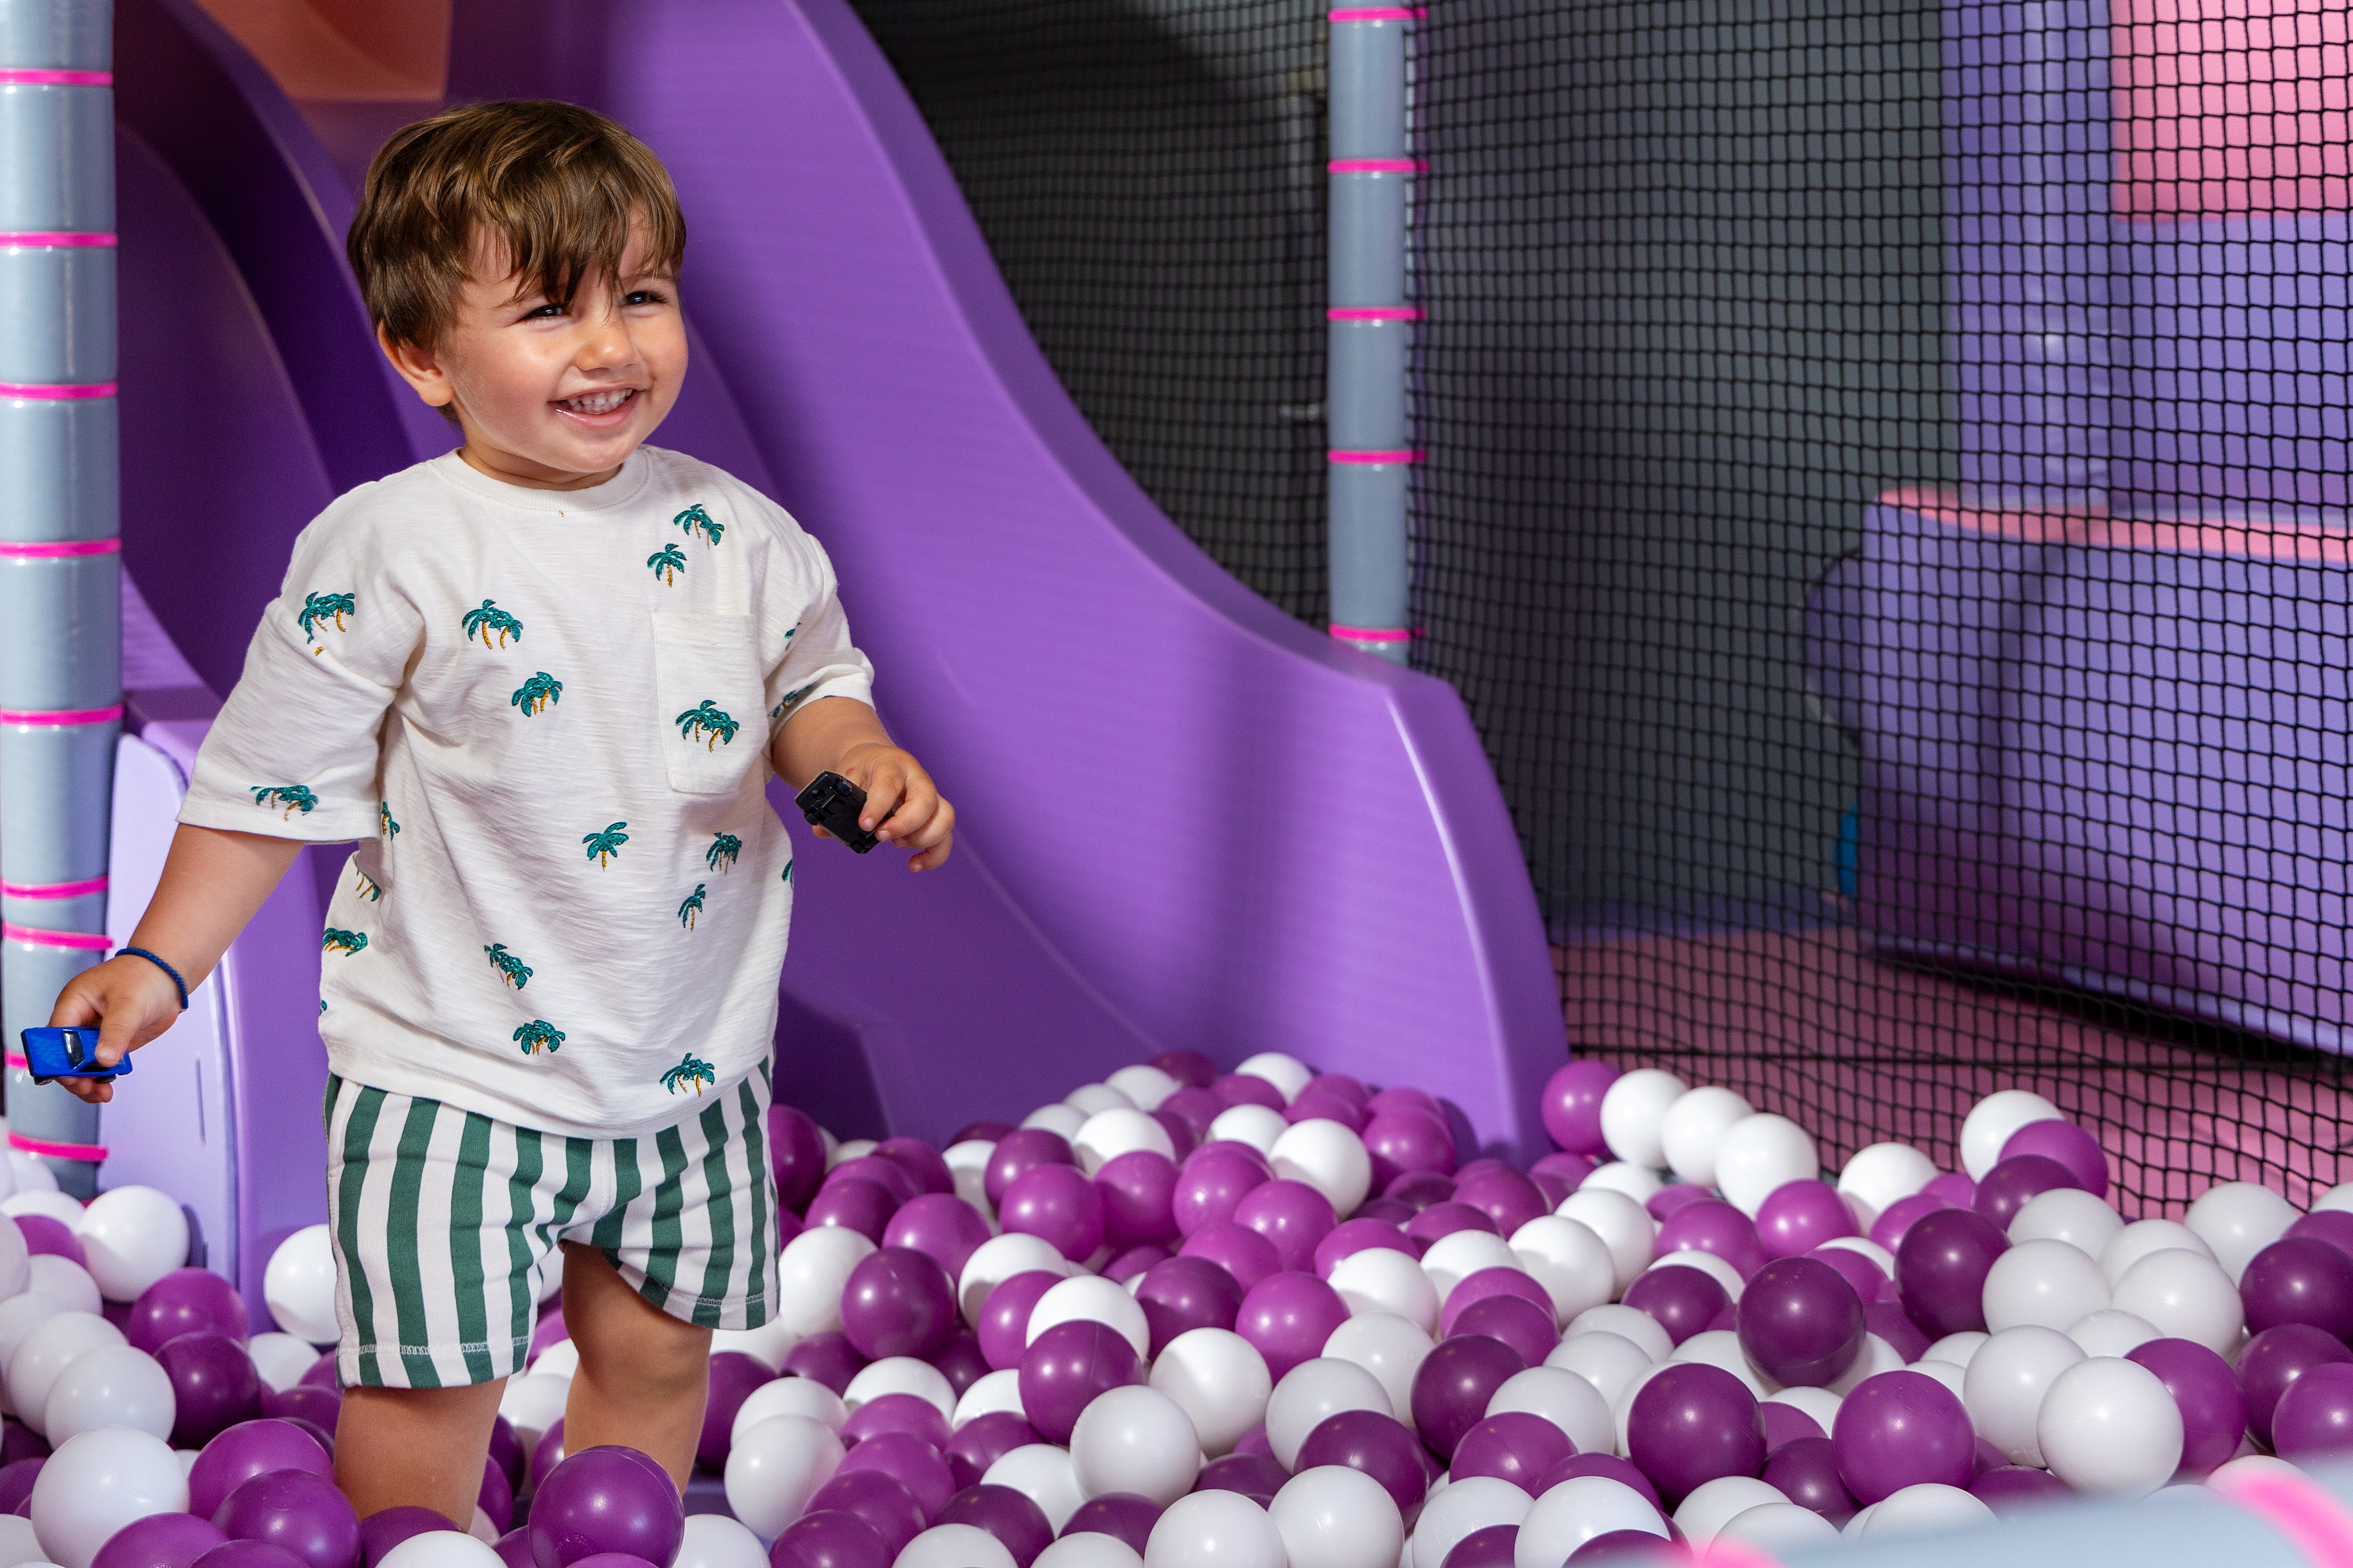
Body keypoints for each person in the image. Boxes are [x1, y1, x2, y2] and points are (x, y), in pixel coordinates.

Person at [43, 99, 953, 1523]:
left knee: (656, 1357)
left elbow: (806, 689)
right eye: (547, 312)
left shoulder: (740, 535)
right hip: (448, 1070)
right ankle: (420, 1544)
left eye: (641, 297)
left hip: (688, 1059)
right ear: (423, 357)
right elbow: (261, 794)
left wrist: (854, 754)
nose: (609, 347)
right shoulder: (392, 552)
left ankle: (607, 1544)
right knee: (428, 1387)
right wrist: (159, 962)